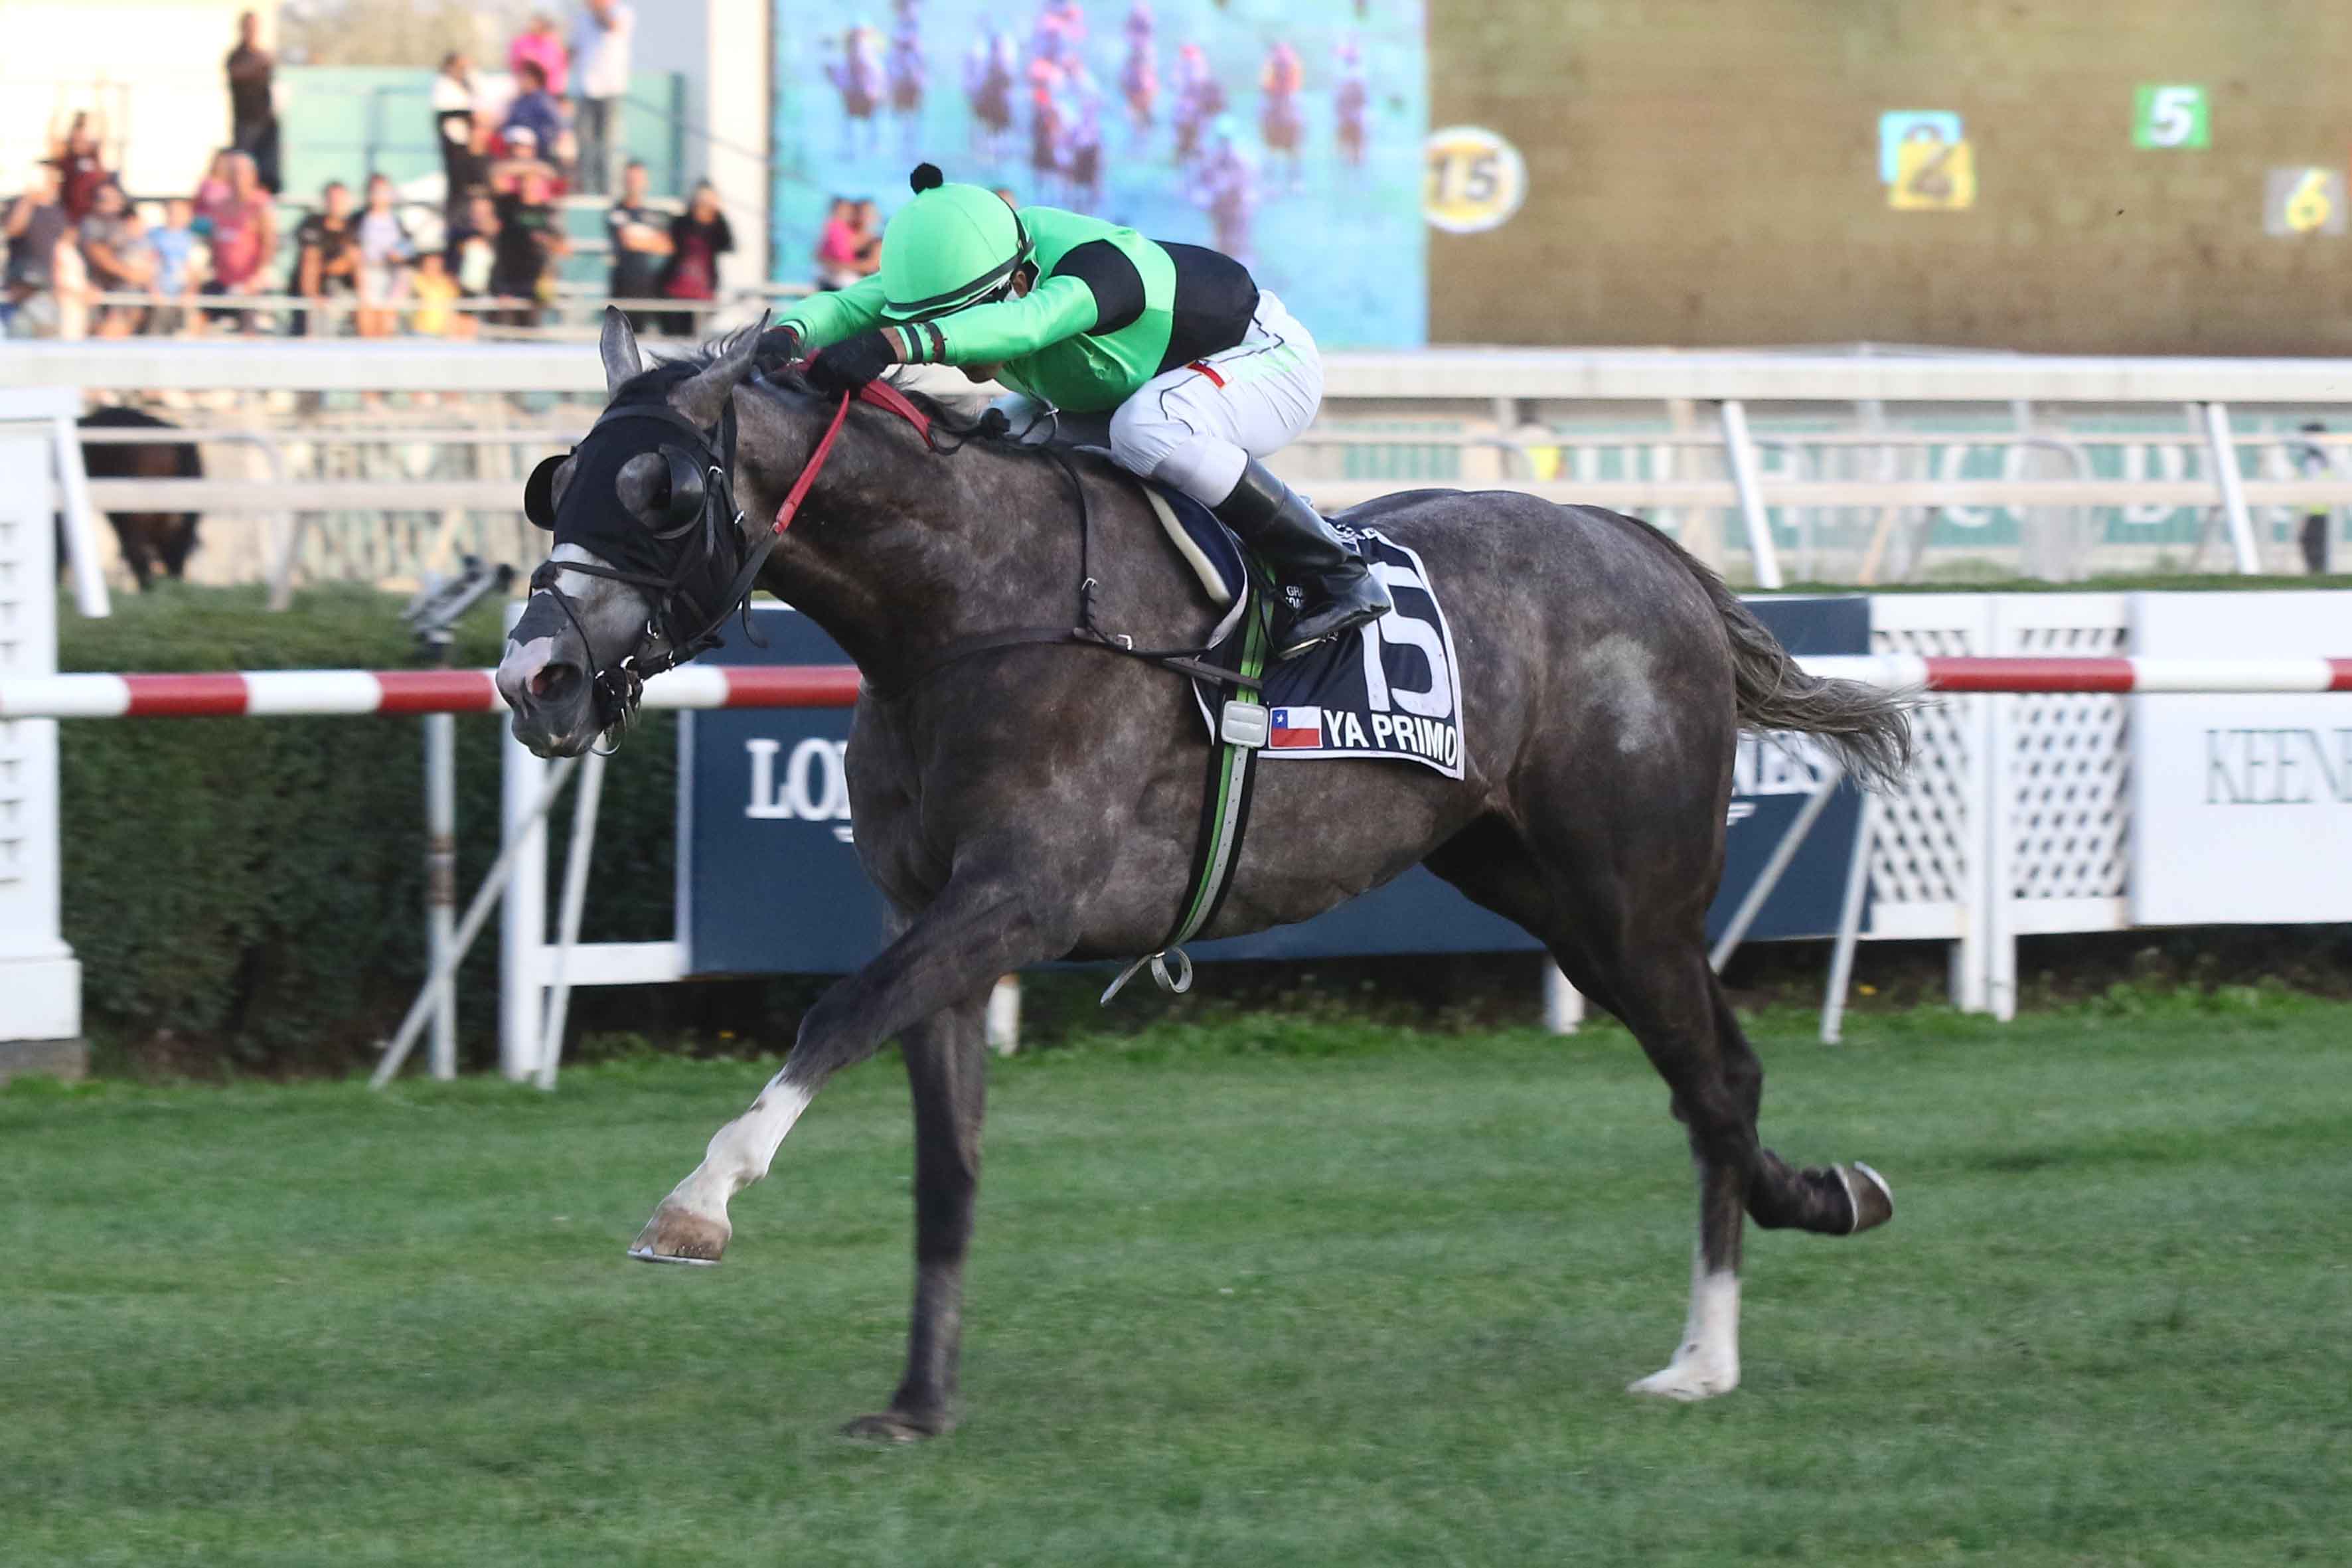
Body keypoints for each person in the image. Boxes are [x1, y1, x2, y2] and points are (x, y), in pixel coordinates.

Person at [769, 163, 1389, 659]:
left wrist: (894, 344)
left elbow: (1028, 325)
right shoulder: (969, 261)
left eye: (957, 320)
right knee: (997, 438)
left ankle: (1338, 571)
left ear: (1015, 279)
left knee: (1147, 429)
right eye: (935, 320)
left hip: (1265, 365)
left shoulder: (1098, 267)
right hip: (1139, 384)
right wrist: (778, 339)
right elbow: (848, 309)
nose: (953, 342)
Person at [198, 151, 274, 334]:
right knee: (196, 310)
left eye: (241, 173)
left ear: (252, 176)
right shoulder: (219, 206)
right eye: (233, 173)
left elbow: (269, 243)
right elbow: (212, 240)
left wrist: (257, 276)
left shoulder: (260, 206)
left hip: (250, 281)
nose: (237, 179)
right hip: (222, 279)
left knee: (249, 322)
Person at [569, 0, 635, 196]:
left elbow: (613, 26)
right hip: (586, 87)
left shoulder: (623, 12)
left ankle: (608, 190)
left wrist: (599, 9)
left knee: (607, 142)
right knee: (584, 141)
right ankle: (587, 188)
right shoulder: (582, 18)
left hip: (610, 87)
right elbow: (574, 49)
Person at [491, 163, 568, 324]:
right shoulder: (509, 205)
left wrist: (545, 241)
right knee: (505, 333)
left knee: (531, 334)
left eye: (534, 182)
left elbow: (564, 248)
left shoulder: (547, 212)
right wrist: (529, 167)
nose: (529, 186)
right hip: (508, 281)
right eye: (526, 181)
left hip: (535, 283)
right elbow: (496, 175)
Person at [78, 181, 155, 336]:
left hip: (128, 290)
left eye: (116, 199)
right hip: (103, 289)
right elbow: (98, 254)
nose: (114, 204)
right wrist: (130, 274)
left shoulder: (124, 222)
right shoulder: (93, 224)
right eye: (105, 199)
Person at [658, 179, 732, 336]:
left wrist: (717, 215)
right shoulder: (681, 223)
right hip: (676, 289)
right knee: (673, 335)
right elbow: (670, 244)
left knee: (694, 337)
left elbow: (728, 244)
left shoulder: (717, 226)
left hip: (702, 291)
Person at [3, 164, 69, 338]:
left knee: (47, 338)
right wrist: (28, 200)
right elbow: (13, 229)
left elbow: (61, 249)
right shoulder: (17, 204)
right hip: (22, 287)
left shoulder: (57, 211)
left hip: (47, 288)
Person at [605, 159, 670, 327]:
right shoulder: (617, 211)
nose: (634, 183)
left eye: (638, 179)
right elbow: (628, 241)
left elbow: (666, 247)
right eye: (631, 179)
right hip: (624, 284)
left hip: (647, 284)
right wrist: (651, 239)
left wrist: (642, 239)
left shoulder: (652, 214)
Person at [294, 180, 359, 337]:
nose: (336, 204)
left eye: (340, 199)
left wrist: (363, 300)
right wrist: (313, 296)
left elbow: (356, 262)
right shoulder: (312, 224)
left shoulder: (352, 227)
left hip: (342, 294)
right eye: (333, 199)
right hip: (315, 296)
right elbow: (310, 263)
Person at [225, 10, 280, 193]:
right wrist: (260, 62)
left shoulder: (262, 56)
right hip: (246, 121)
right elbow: (237, 73)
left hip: (265, 120)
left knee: (267, 168)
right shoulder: (236, 56)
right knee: (242, 165)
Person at [354, 173, 413, 337]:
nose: (379, 195)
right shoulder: (359, 219)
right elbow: (352, 248)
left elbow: (408, 250)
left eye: (383, 191)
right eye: (375, 191)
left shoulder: (397, 222)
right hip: (367, 274)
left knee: (387, 322)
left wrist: (398, 255)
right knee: (367, 321)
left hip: (390, 275)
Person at [46, 110, 112, 223]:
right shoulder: (66, 160)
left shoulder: (94, 157)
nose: (80, 143)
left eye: (83, 140)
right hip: (68, 212)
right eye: (76, 140)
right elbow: (52, 137)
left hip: (91, 213)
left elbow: (104, 132)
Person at [148, 196, 201, 335]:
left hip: (182, 293)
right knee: (157, 329)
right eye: (172, 212)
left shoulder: (191, 239)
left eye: (180, 212)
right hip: (159, 292)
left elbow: (195, 271)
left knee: (189, 325)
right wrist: (153, 289)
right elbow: (150, 264)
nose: (175, 216)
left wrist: (189, 291)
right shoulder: (154, 236)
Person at [503, 60, 568, 173]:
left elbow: (556, 126)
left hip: (539, 153)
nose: (520, 81)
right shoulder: (519, 102)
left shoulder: (544, 102)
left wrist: (534, 142)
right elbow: (508, 125)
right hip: (516, 150)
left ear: (534, 79)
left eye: (524, 77)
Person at [432, 54, 479, 204]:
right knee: (456, 182)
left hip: (466, 141)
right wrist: (469, 116)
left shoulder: (465, 84)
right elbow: (444, 113)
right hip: (453, 142)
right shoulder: (443, 85)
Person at [2292, 421, 2335, 575]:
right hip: (2313, 510)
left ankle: (2318, 574)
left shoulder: (2320, 456)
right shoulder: (2314, 457)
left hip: (2319, 510)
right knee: (2310, 542)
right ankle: (2316, 573)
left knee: (2313, 543)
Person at [509, 11, 570, 99]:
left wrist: (535, 61)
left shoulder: (552, 44)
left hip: (550, 91)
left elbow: (553, 66)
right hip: (527, 92)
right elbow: (516, 64)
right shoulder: (522, 42)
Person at [409, 248, 466, 337]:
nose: (433, 266)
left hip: (443, 333)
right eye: (430, 263)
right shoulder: (416, 279)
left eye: (437, 263)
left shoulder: (448, 282)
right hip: (420, 332)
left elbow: (455, 304)